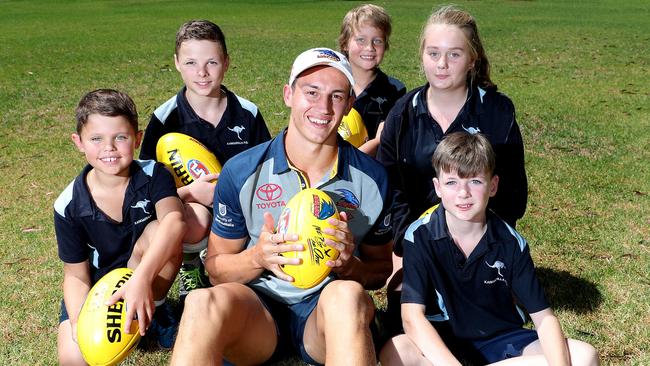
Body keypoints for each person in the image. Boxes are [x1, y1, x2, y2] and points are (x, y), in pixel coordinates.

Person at [170, 48, 393, 366]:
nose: (323, 107)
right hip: (257, 310)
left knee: (347, 297)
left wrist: (348, 266)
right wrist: (256, 256)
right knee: (201, 302)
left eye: (336, 96)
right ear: (288, 94)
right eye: (311, 92)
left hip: (325, 314)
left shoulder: (372, 179)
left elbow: (380, 271)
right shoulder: (242, 170)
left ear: (349, 105)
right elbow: (216, 269)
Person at [379, 131, 599, 365]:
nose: (463, 193)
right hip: (443, 343)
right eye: (452, 182)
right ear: (438, 187)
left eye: (475, 181)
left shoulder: (511, 243)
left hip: (501, 341)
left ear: (493, 185)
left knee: (584, 356)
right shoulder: (420, 235)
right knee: (397, 351)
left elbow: (544, 319)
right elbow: (412, 317)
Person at [376, 5, 529, 337]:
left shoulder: (497, 112)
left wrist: (479, 240)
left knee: (488, 319)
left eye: (454, 54)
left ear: (471, 60)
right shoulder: (403, 114)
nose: (441, 64)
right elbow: (392, 192)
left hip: (480, 237)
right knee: (403, 316)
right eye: (434, 53)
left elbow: (513, 194)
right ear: (423, 55)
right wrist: (405, 248)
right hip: (421, 242)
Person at [139, 20, 271, 298]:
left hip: (240, 211)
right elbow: (144, 189)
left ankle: (235, 265)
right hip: (192, 211)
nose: (201, 72)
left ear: (226, 62)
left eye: (211, 62)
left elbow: (267, 171)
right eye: (190, 63)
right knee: (192, 218)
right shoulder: (165, 119)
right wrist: (189, 192)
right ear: (176, 63)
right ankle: (191, 264)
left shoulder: (247, 113)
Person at [55, 89, 186, 364]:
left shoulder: (154, 174)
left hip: (143, 274)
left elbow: (175, 222)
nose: (109, 148)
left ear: (137, 139)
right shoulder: (68, 204)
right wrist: (81, 323)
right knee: (74, 358)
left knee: (160, 230)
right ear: (78, 142)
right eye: (96, 138)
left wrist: (141, 279)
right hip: (98, 290)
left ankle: (157, 309)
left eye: (121, 137)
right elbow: (76, 276)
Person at [338, 3, 405, 156]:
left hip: (371, 169)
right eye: (361, 40)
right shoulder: (332, 82)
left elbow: (384, 142)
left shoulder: (394, 90)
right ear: (345, 44)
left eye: (377, 41)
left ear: (385, 45)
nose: (370, 47)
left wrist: (346, 161)